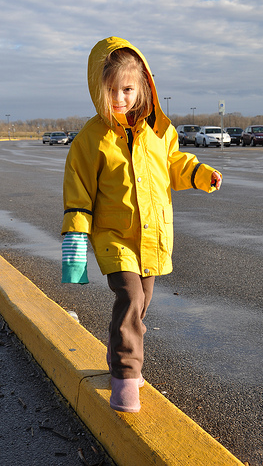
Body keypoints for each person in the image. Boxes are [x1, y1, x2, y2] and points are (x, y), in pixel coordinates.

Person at [61, 36, 222, 413]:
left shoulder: (159, 132)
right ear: (97, 90)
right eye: (111, 90)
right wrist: (73, 252)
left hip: (151, 238)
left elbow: (175, 165)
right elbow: (77, 197)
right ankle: (125, 377)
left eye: (128, 89)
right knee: (131, 299)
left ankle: (121, 355)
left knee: (142, 304)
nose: (119, 98)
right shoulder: (91, 140)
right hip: (114, 238)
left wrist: (201, 174)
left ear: (143, 88)